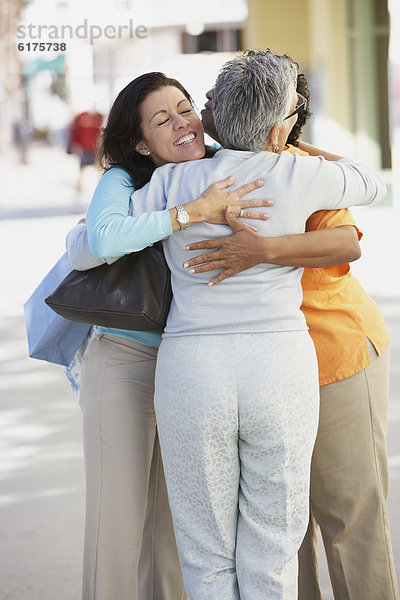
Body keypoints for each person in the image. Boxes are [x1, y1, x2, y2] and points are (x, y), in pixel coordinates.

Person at [81, 51, 385, 599]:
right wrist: (282, 142)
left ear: (216, 113)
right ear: (277, 123)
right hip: (279, 367)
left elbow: (99, 239)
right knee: (273, 546)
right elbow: (368, 181)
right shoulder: (296, 171)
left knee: (205, 552)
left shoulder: (173, 183)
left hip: (193, 370)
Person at [184, 63, 399, 600]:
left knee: (349, 515)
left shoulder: (303, 169)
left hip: (333, 356)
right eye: (208, 96)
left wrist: (261, 251)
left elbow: (346, 241)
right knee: (275, 532)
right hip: (258, 374)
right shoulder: (194, 171)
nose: (204, 106)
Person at [66, 72, 274, 600]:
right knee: (117, 523)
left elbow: (280, 149)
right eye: (163, 120)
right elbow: (97, 241)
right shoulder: (125, 180)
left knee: (173, 531)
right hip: (125, 359)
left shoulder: (216, 162)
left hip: (189, 368)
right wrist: (189, 214)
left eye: (185, 108)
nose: (183, 123)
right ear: (140, 142)